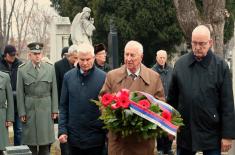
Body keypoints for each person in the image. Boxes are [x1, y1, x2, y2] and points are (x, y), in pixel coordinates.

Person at [167, 25, 235, 155]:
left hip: (211, 132)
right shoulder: (180, 64)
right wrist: (169, 126)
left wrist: (227, 136)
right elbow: (172, 99)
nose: (197, 47)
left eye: (202, 44)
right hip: (185, 131)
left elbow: (227, 104)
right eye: (194, 43)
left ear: (210, 43)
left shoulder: (221, 67)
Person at [100, 40, 165, 155]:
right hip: (119, 142)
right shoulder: (112, 76)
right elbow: (103, 100)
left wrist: (144, 121)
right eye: (126, 54)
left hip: (142, 142)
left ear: (141, 57)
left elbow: (160, 105)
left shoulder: (154, 78)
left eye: (132, 55)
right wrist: (114, 118)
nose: (128, 58)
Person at [58, 43, 106, 155]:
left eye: (88, 59)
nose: (84, 63)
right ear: (77, 58)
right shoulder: (68, 77)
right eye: (82, 59)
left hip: (96, 139)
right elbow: (63, 106)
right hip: (74, 138)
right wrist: (62, 130)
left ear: (94, 58)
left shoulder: (103, 77)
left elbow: (107, 107)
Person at [17, 42, 58, 155]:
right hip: (30, 109)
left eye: (39, 53)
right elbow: (20, 93)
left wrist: (54, 109)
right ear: (30, 55)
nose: (37, 56)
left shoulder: (50, 68)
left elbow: (54, 90)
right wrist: (22, 112)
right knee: (31, 144)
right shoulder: (22, 70)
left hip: (46, 109)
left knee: (45, 145)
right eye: (34, 54)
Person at [54, 45, 79, 155]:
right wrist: (58, 107)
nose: (76, 60)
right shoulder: (58, 65)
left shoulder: (80, 66)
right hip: (64, 104)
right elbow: (56, 87)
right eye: (75, 57)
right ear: (69, 56)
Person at [152, 50, 173, 155]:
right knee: (159, 125)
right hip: (158, 102)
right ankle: (160, 148)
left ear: (166, 58)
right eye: (160, 57)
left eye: (163, 57)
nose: (162, 59)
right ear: (156, 58)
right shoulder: (152, 71)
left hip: (169, 102)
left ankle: (168, 147)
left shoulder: (171, 70)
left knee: (169, 124)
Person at [0, 45, 22, 146]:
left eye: (14, 55)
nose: (13, 57)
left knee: (19, 130)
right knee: (2, 131)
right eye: (11, 55)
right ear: (5, 55)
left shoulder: (20, 65)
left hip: (17, 103)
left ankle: (18, 150)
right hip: (4, 103)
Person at [0, 71, 14, 155]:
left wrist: (9, 118)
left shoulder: (5, 77)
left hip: (1, 116)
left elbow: (10, 99)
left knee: (2, 147)